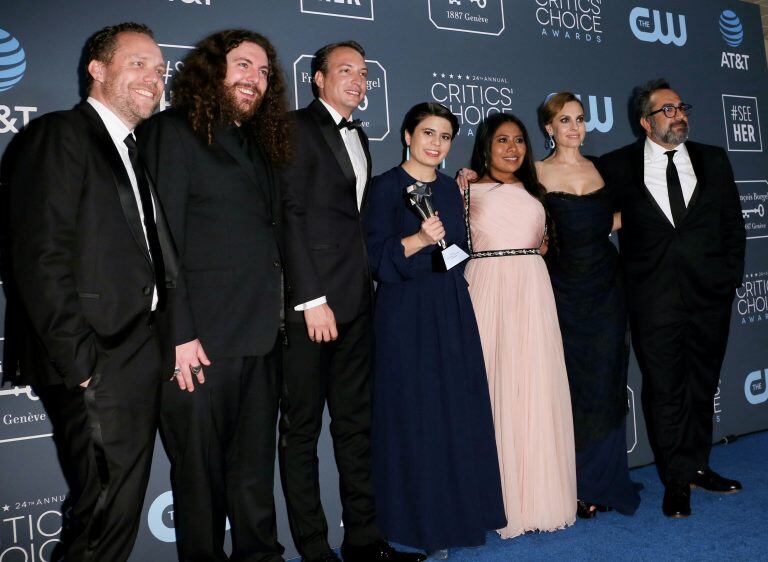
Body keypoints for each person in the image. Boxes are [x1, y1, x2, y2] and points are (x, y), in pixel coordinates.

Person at [5, 22, 175, 561]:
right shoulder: (59, 134)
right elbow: (39, 254)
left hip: (136, 350)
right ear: (97, 71)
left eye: (158, 66)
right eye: (138, 63)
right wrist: (80, 360)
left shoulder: (132, 148)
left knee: (115, 506)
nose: (154, 76)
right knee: (103, 509)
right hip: (95, 357)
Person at [137, 29, 288, 560]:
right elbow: (160, 241)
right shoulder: (170, 132)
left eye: (265, 71)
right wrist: (179, 333)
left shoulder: (261, 145)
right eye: (244, 65)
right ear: (211, 71)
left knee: (252, 474)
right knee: (199, 479)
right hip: (197, 343)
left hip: (260, 336)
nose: (256, 79)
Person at [280, 41, 425, 562]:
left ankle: (364, 541)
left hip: (359, 302)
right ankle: (315, 550)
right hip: (312, 308)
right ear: (317, 79)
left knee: (355, 427)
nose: (359, 81)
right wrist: (310, 297)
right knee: (302, 432)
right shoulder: (294, 129)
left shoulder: (360, 134)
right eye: (346, 71)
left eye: (364, 73)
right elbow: (289, 216)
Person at [363, 102, 506, 559]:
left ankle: (457, 516)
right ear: (407, 135)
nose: (436, 143)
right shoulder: (384, 188)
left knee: (454, 413)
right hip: (405, 314)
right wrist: (419, 241)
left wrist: (444, 247)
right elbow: (375, 258)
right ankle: (415, 526)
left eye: (444, 136)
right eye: (427, 133)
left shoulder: (449, 189)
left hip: (450, 307)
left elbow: (459, 252)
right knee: (414, 416)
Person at [598, 79, 746, 518]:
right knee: (664, 391)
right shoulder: (616, 166)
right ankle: (675, 480)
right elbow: (574, 198)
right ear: (645, 122)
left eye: (681, 107)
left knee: (702, 385)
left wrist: (729, 280)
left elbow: (733, 225)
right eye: (667, 110)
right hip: (653, 298)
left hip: (709, 296)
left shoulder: (713, 159)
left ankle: (699, 466)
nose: (678, 114)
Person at [463, 113, 576, 539]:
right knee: (494, 386)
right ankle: (497, 499)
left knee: (534, 387)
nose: (512, 148)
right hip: (488, 290)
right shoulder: (466, 190)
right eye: (502, 140)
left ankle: (539, 497)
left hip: (533, 291)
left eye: (519, 141)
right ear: (486, 147)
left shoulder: (536, 191)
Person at [536, 92, 640, 518]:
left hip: (607, 288)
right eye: (565, 120)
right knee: (572, 385)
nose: (575, 127)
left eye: (579, 119)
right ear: (548, 128)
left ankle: (606, 479)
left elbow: (615, 218)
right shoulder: (534, 172)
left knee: (607, 380)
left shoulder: (603, 168)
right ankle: (575, 484)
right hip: (562, 290)